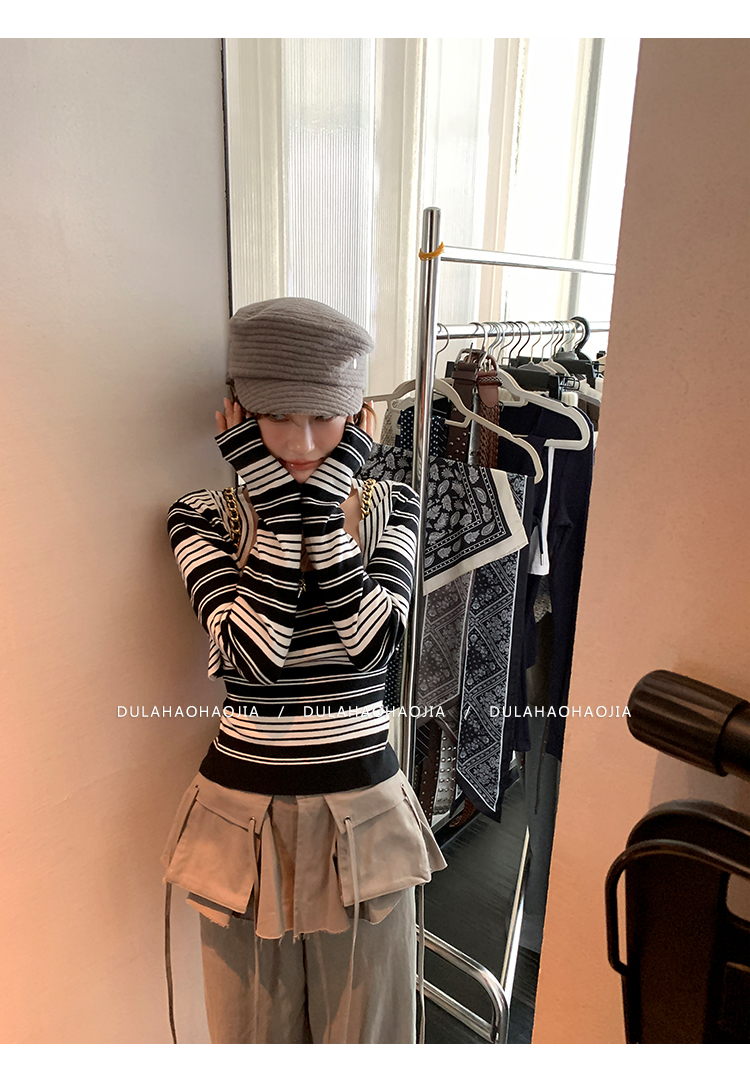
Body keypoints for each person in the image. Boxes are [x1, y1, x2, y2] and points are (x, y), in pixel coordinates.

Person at [161, 297, 446, 1044]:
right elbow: (254, 656)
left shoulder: (395, 508)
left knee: (368, 1044)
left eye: (325, 417)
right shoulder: (202, 516)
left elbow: (371, 646)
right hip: (241, 822)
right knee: (251, 1044)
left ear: (359, 417)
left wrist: (319, 511)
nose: (304, 441)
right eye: (278, 417)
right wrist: (284, 513)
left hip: (365, 817)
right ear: (238, 412)